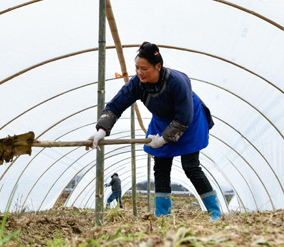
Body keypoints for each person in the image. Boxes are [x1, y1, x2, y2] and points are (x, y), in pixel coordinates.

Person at [90, 42, 222, 220]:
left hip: (189, 121)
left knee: (190, 167)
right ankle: (163, 215)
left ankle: (215, 212)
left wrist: (163, 139)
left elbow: (184, 117)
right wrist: (102, 129)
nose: (139, 72)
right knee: (160, 166)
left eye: (144, 68)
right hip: (161, 122)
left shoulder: (177, 82)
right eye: (136, 68)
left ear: (158, 66)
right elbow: (116, 105)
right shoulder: (137, 83)